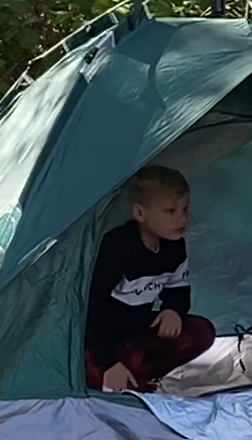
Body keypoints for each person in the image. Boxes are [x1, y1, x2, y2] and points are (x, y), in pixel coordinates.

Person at [84, 165, 215, 393]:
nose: (182, 218)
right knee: (93, 374)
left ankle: (136, 374)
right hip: (101, 336)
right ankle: (120, 373)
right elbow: (93, 310)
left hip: (137, 331)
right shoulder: (117, 248)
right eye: (171, 211)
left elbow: (178, 289)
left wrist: (173, 310)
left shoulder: (174, 247)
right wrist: (109, 362)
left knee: (202, 331)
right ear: (140, 213)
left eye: (185, 209)